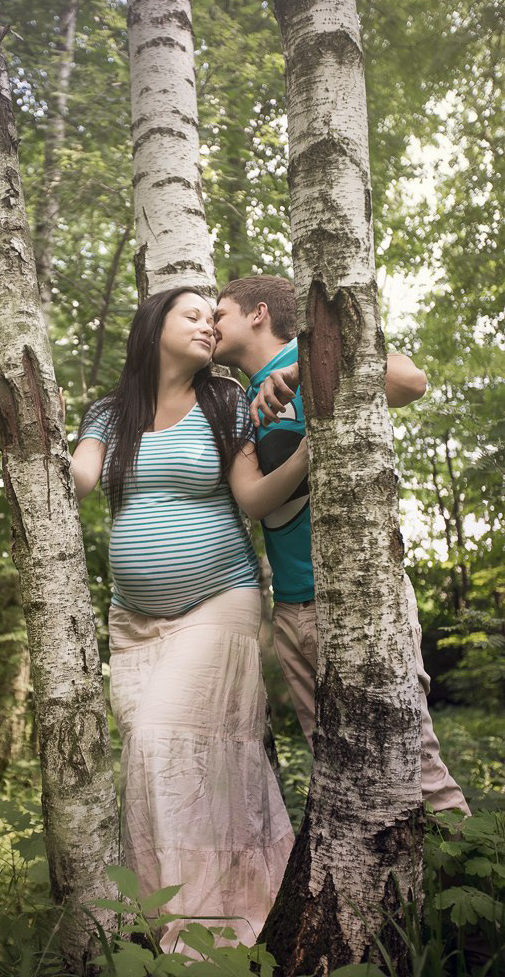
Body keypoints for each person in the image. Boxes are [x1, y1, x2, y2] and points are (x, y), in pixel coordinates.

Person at [69, 287, 307, 950]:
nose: (208, 326)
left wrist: (314, 451)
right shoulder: (109, 414)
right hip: (133, 625)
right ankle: (174, 924)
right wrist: (36, 451)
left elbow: (253, 499)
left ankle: (210, 937)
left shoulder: (224, 400)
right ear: (153, 330)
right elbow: (79, 478)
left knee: (155, 743)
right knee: (157, 767)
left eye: (214, 316)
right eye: (192, 315)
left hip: (218, 602)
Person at [213, 274, 470, 815]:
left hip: (361, 596)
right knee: (337, 779)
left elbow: (411, 381)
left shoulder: (316, 353)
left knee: (414, 763)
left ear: (258, 313)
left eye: (220, 313)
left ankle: (474, 883)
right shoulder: (235, 401)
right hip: (293, 612)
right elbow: (254, 501)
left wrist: (302, 368)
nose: (212, 326)